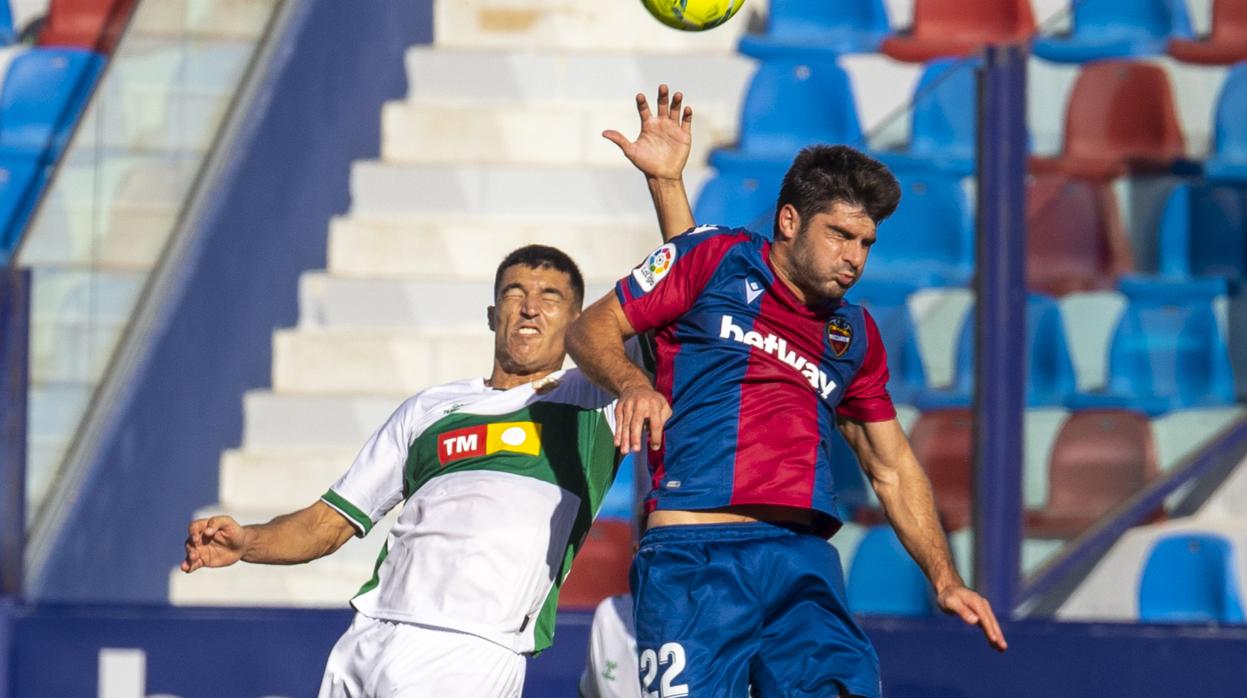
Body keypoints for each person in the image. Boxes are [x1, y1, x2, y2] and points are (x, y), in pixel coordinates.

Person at [180, 85, 698, 698]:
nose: (530, 308)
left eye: (551, 298)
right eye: (514, 294)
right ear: (491, 315)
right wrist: (247, 543)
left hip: (469, 650)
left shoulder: (594, 397)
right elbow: (329, 523)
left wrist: (664, 184)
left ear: (578, 322)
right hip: (368, 638)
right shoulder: (428, 409)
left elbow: (685, 302)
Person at [566, 144, 1009, 697]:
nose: (855, 257)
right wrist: (635, 385)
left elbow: (892, 466)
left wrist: (945, 578)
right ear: (789, 220)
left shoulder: (855, 336)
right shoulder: (714, 258)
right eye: (839, 235)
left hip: (801, 566)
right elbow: (589, 329)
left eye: (866, 242)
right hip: (695, 564)